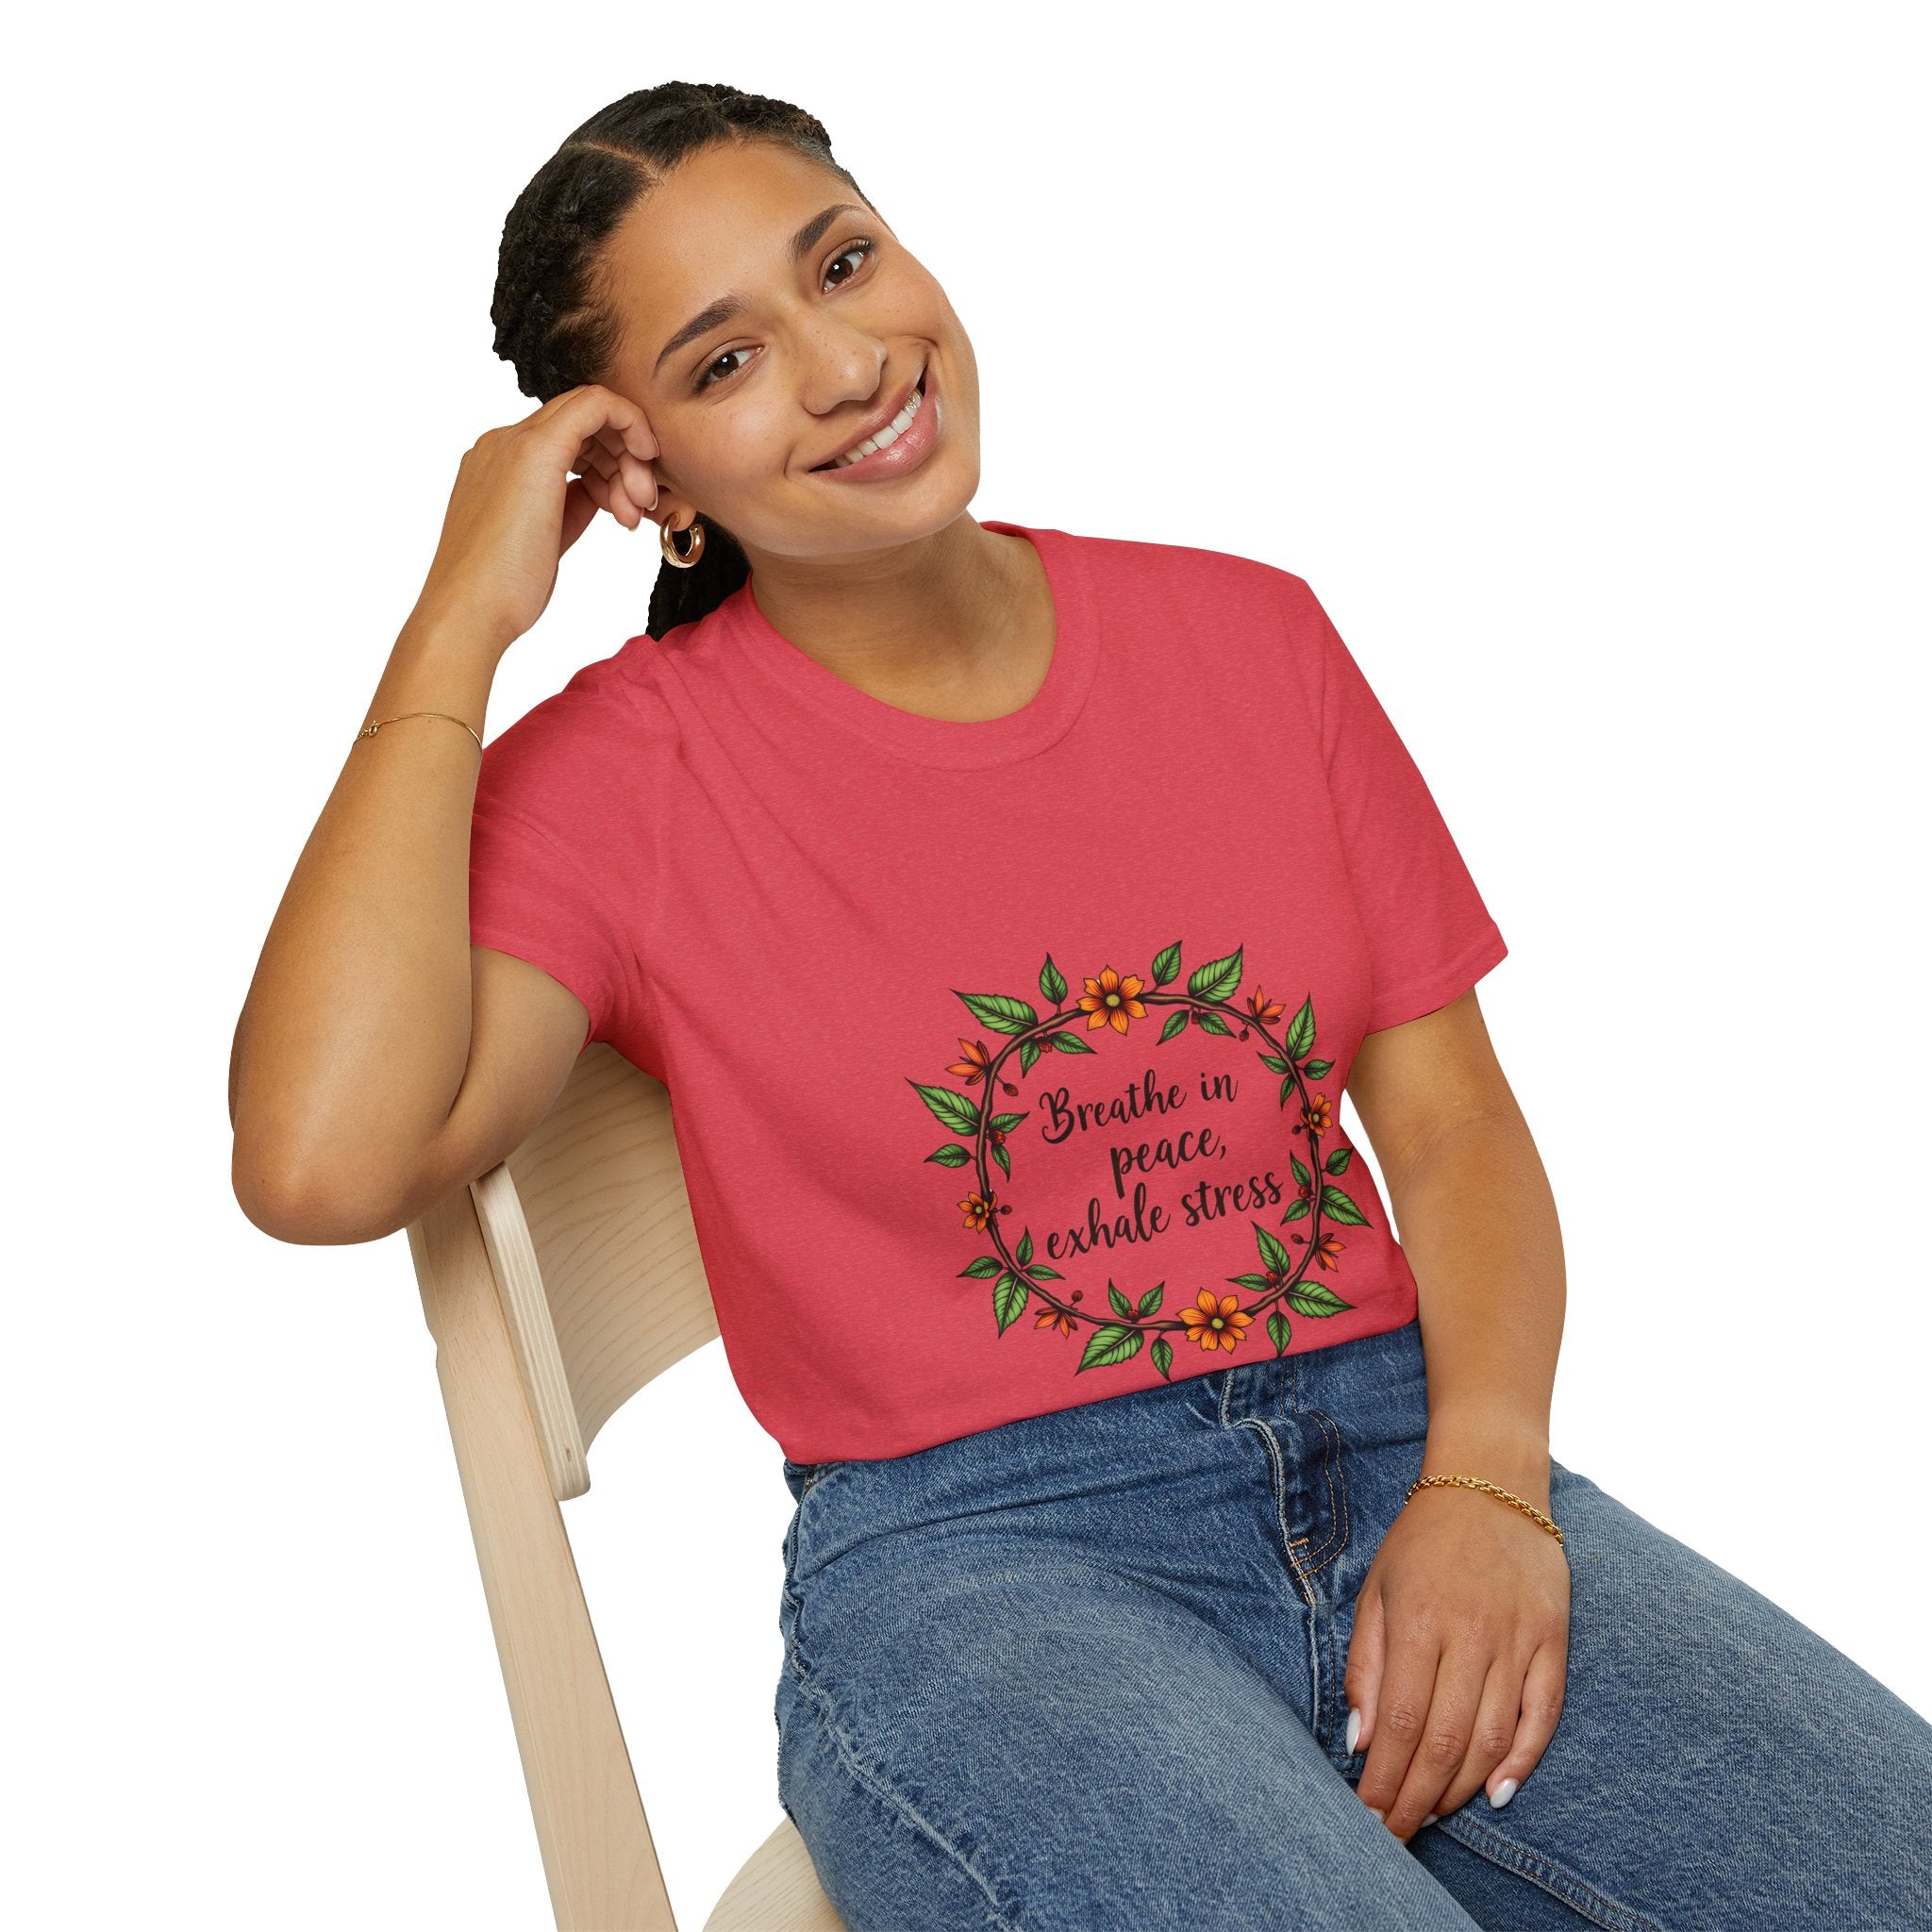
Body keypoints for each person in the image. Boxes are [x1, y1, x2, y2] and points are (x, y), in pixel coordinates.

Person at [228, 80, 1932, 1932]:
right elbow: (320, 1158)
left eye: (845, 263)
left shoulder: (1251, 638)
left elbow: (1447, 1130)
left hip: (1400, 1448)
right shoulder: (623, 776)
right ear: (646, 479)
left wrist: (1490, 1485)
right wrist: (456, 619)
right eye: (725, 362)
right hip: (983, 1565)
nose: (845, 361)